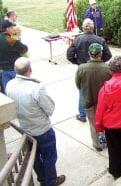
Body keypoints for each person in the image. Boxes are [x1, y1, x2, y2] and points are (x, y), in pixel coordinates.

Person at [6, 57, 65, 186]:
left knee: (35, 157)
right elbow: (50, 109)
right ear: (30, 70)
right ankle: (50, 182)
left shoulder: (9, 85)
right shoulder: (37, 88)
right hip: (43, 131)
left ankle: (43, 179)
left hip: (26, 129)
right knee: (49, 157)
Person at [67, 18, 112, 122]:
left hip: (83, 68)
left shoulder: (78, 39)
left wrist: (77, 62)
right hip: (98, 68)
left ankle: (83, 115)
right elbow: (108, 55)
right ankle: (101, 113)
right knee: (100, 91)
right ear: (93, 28)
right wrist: (100, 62)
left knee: (82, 91)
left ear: (83, 27)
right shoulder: (99, 39)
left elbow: (69, 55)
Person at [75, 43, 112, 151]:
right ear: (101, 53)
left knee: (93, 124)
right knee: (107, 124)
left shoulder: (82, 68)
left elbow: (78, 85)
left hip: (89, 101)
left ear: (89, 53)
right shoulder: (108, 68)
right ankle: (108, 141)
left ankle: (97, 144)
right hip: (105, 103)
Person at [0, 20, 28, 92]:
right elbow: (24, 49)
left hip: (2, 70)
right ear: (7, 29)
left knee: (7, 92)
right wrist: (15, 36)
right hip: (13, 69)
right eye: (12, 27)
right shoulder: (11, 38)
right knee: (18, 91)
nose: (13, 29)